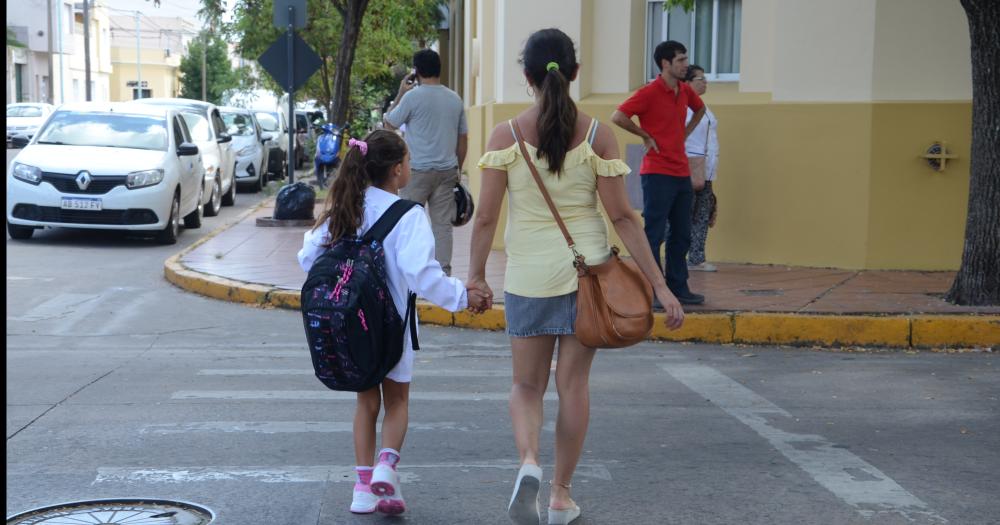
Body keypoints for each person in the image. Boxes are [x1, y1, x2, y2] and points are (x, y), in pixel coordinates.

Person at [468, 28, 685, 525]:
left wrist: (475, 276)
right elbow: (625, 219)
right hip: (588, 277)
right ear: (575, 73)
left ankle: (529, 462)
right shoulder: (595, 135)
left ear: (527, 76)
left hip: (528, 277)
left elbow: (484, 218)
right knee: (573, 386)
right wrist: (660, 284)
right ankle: (562, 497)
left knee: (526, 386)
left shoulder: (506, 135)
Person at [297, 130, 490, 516]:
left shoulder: (344, 207)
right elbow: (421, 274)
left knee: (366, 404)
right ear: (398, 169)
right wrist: (461, 296)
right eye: (409, 160)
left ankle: (364, 488)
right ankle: (388, 463)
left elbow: (307, 259)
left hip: (352, 326)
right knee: (397, 401)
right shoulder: (408, 215)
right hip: (393, 326)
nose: (411, 166)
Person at [611, 40, 707, 306]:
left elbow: (700, 110)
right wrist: (644, 135)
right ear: (665, 64)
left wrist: (684, 133)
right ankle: (653, 289)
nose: (686, 65)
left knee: (682, 233)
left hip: (680, 172)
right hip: (656, 173)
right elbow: (618, 116)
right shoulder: (649, 92)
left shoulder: (685, 91)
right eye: (680, 60)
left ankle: (679, 286)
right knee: (654, 234)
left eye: (686, 59)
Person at [384, 49, 468, 276]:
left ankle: (409, 272)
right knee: (442, 226)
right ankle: (442, 274)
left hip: (417, 172)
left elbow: (389, 124)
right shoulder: (455, 99)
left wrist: (401, 93)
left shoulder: (412, 97)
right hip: (447, 170)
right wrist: (458, 168)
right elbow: (463, 140)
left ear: (416, 72)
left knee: (408, 223)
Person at [684, 65, 719, 272]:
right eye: (700, 78)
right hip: (689, 167)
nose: (705, 81)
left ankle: (697, 257)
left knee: (703, 213)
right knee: (684, 213)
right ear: (687, 83)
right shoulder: (683, 108)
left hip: (705, 169)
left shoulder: (702, 107)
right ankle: (676, 256)